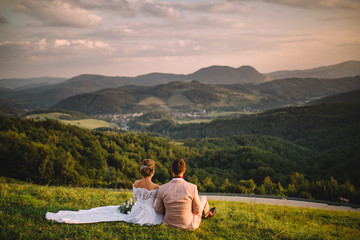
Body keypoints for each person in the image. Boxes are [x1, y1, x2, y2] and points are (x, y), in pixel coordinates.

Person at [46, 159, 163, 225]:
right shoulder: (156, 187)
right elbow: (156, 204)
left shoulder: (136, 183)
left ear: (142, 171)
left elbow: (137, 200)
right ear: (152, 171)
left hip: (136, 210)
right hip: (147, 214)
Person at [154, 158, 216, 230]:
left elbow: (158, 210)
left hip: (168, 223)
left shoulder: (162, 188)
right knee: (203, 198)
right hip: (188, 224)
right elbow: (197, 211)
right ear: (184, 170)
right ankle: (207, 214)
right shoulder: (192, 187)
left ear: (171, 170)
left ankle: (207, 214)